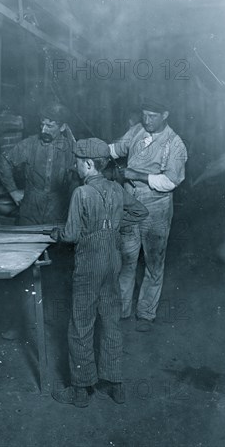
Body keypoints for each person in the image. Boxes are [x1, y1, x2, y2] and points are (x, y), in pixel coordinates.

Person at [50, 138, 148, 408]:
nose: (75, 165)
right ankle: (115, 385)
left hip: (90, 263)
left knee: (81, 324)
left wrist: (57, 233)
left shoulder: (81, 193)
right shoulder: (116, 188)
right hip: (112, 260)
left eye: (78, 161)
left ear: (89, 164)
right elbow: (140, 210)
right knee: (111, 321)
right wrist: (112, 226)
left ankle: (81, 390)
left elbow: (70, 235)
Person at [108, 97, 188, 332]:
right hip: (129, 203)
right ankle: (122, 309)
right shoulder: (136, 130)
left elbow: (170, 181)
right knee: (126, 258)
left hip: (156, 208)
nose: (147, 120)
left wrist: (134, 174)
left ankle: (145, 314)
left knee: (153, 262)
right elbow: (116, 149)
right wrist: (96, 150)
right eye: (144, 114)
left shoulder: (175, 144)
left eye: (152, 116)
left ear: (165, 115)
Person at [0, 102, 76, 225]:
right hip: (30, 210)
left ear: (62, 127)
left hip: (58, 211)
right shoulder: (29, 144)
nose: (43, 130)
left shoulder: (71, 149)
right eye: (42, 125)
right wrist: (13, 191)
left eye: (49, 126)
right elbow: (4, 161)